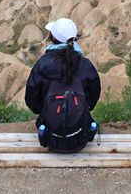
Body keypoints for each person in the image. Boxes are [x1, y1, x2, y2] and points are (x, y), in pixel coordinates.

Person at [24, 18, 101, 153]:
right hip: (80, 131)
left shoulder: (42, 64)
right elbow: (94, 95)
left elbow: (31, 97)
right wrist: (80, 108)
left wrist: (46, 110)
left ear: (52, 36)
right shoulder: (85, 64)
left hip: (50, 132)